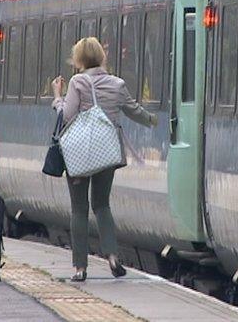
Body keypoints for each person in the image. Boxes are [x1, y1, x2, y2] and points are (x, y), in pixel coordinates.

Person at [51, 37, 158, 282]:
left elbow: (67, 116)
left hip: (79, 155)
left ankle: (80, 268)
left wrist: (57, 96)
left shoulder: (77, 82)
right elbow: (134, 111)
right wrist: (154, 120)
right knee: (102, 205)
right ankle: (112, 256)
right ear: (101, 56)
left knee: (79, 209)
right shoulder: (117, 84)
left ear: (78, 59)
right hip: (107, 154)